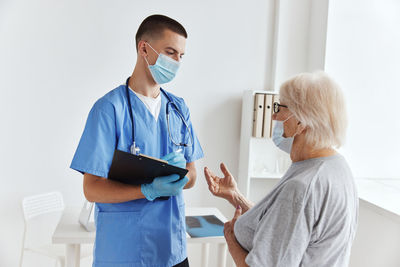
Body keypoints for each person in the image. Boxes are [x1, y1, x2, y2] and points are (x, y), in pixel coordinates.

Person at [70, 15, 203, 267]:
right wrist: (147, 190)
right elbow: (92, 188)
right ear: (144, 48)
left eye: (181, 56)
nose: (176, 62)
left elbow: (193, 174)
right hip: (125, 252)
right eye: (170, 52)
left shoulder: (178, 109)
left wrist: (180, 176)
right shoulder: (108, 110)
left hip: (172, 250)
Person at [204, 71, 358, 267]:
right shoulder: (337, 168)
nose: (274, 116)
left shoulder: (302, 186)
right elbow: (285, 228)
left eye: (280, 107)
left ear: (302, 120)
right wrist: (236, 197)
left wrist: (231, 238)